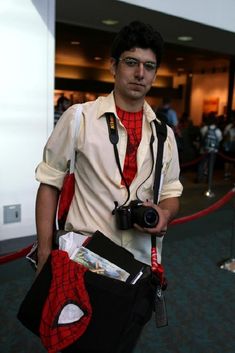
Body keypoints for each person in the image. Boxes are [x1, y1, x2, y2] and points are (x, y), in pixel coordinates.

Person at [35, 21, 183, 352]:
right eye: (131, 62)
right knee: (71, 344)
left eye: (149, 66)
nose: (140, 73)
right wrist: (45, 251)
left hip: (136, 267)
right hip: (82, 263)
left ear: (155, 73)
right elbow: (49, 183)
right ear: (113, 66)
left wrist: (164, 214)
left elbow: (172, 192)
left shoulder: (164, 135)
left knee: (118, 344)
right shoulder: (79, 118)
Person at [196, 113, 222, 183]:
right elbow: (219, 139)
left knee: (201, 164)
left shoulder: (204, 128)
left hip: (204, 150)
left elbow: (201, 137)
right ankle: (209, 180)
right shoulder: (218, 131)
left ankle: (199, 178)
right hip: (213, 151)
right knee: (211, 165)